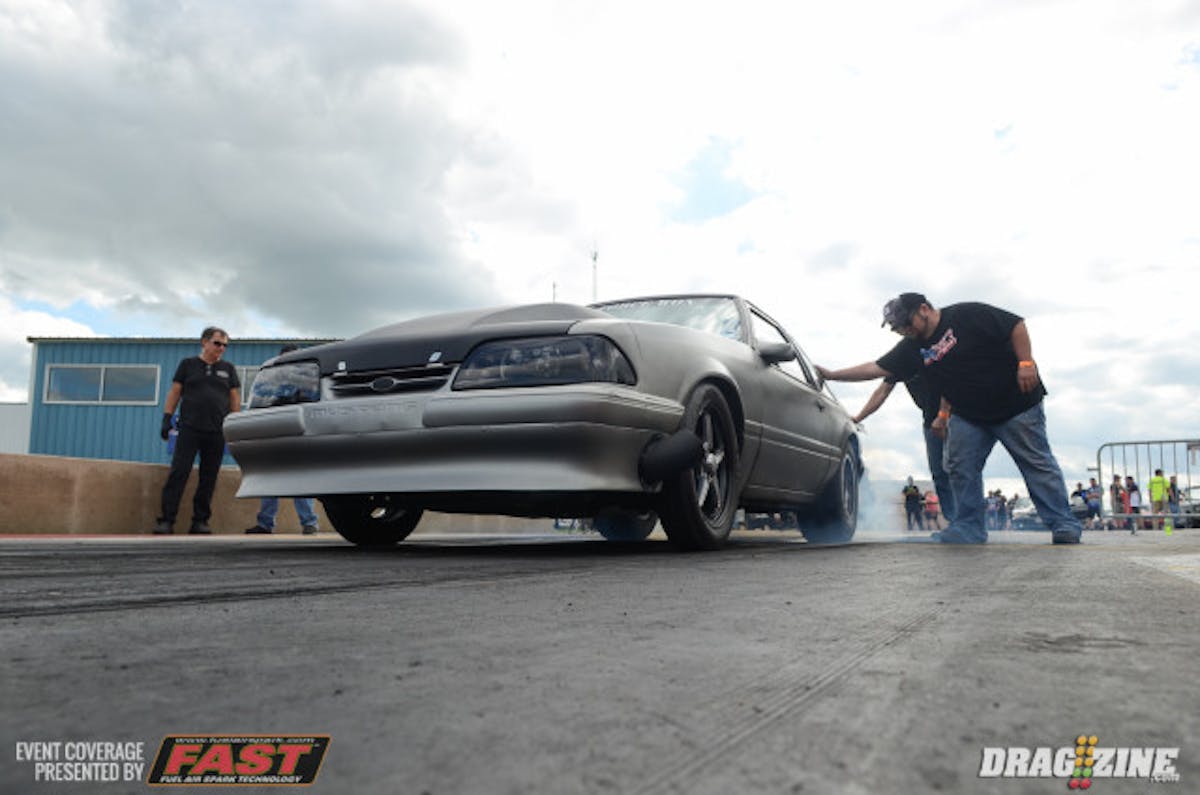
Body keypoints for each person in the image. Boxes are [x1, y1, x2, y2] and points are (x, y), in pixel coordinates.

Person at [818, 292, 1083, 544]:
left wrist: (1026, 363)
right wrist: (831, 375)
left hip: (1015, 404)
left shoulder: (967, 314)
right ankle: (968, 527)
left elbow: (1015, 325)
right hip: (969, 414)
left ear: (923, 309)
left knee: (1035, 462)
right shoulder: (912, 348)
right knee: (958, 465)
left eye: (906, 323)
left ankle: (1063, 524)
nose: (903, 330)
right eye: (897, 328)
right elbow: (875, 369)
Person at [833, 371, 957, 525]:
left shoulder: (939, 350)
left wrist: (944, 414)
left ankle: (969, 522)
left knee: (961, 469)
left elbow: (953, 379)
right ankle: (956, 523)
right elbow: (880, 386)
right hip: (931, 420)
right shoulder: (904, 356)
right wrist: (859, 417)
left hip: (958, 416)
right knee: (939, 473)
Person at [153, 326, 240, 534]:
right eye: (217, 343)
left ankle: (200, 521)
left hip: (217, 431)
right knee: (178, 473)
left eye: (225, 345)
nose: (221, 348)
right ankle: (167, 520)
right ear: (204, 342)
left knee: (208, 477)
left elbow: (234, 398)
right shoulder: (188, 365)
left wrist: (234, 425)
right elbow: (175, 392)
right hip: (189, 429)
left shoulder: (228, 369)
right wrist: (167, 418)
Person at [245, 345, 319, 536]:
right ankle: (265, 523)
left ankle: (309, 523)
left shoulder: (308, 379)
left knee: (301, 479)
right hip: (274, 433)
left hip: (299, 434)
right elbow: (261, 402)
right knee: (270, 478)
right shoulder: (271, 379)